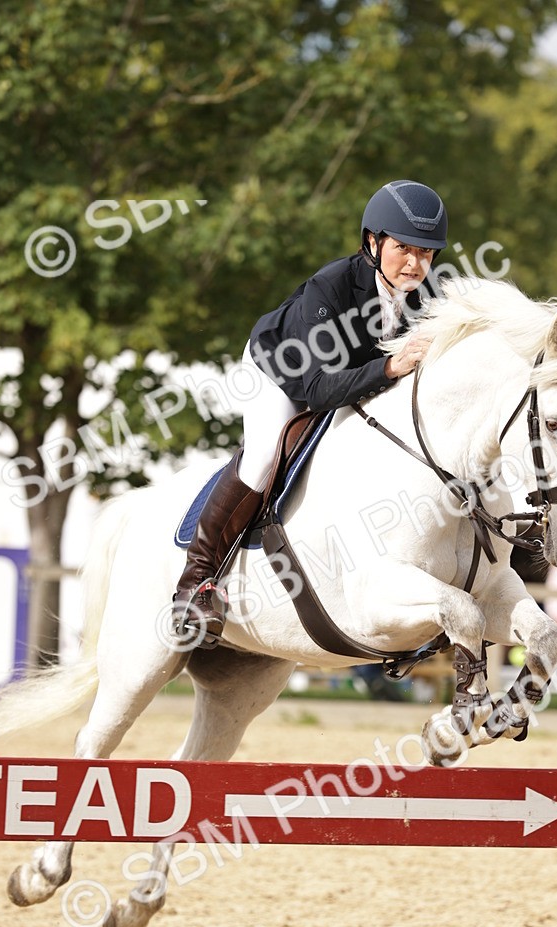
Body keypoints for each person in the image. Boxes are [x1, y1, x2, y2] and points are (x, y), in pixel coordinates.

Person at [172, 179, 449, 643]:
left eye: (427, 253)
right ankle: (196, 581)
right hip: (284, 371)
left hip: (354, 375)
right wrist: (391, 366)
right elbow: (318, 390)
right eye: (404, 249)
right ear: (373, 242)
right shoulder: (331, 288)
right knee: (265, 454)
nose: (416, 264)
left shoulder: (428, 296)